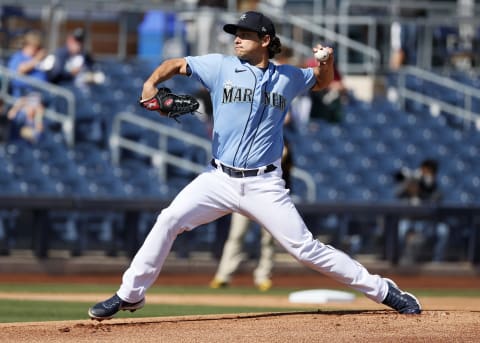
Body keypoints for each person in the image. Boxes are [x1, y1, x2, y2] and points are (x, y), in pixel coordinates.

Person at [88, 11, 421, 320]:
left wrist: (328, 61)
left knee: (305, 250)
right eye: (236, 33)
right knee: (169, 219)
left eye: (245, 34)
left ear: (265, 41)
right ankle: (130, 294)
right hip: (218, 179)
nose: (237, 39)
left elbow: (321, 81)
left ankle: (382, 290)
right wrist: (150, 84)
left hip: (264, 184)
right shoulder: (220, 66)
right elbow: (176, 64)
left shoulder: (288, 77)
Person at [209, 136, 293, 291]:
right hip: (245, 194)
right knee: (236, 235)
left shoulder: (281, 140)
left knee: (268, 239)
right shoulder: (248, 138)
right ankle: (223, 276)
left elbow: (286, 170)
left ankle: (263, 276)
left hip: (269, 196)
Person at [394, 159, 449, 264]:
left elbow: (434, 203)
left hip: (428, 222)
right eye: (423, 171)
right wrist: (409, 185)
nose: (424, 174)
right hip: (409, 220)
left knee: (443, 231)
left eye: (428, 172)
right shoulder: (413, 181)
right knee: (400, 229)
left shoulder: (435, 187)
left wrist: (422, 192)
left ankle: (437, 262)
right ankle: (398, 260)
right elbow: (397, 194)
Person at [7, 30, 47, 98]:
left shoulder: (37, 58)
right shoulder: (18, 57)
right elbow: (20, 70)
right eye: (36, 47)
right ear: (29, 45)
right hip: (23, 94)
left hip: (41, 95)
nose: (37, 49)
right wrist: (37, 59)